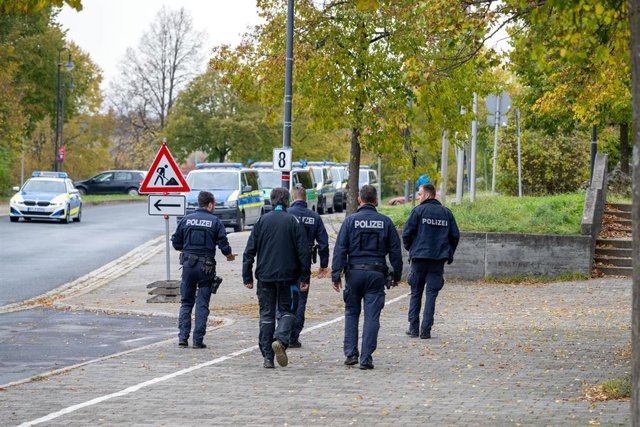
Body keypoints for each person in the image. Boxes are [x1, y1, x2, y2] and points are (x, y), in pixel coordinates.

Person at [331, 184, 403, 370]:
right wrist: (397, 275)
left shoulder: (350, 221)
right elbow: (395, 252)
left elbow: (340, 249)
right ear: (376, 200)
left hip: (353, 274)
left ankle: (350, 354)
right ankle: (366, 358)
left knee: (351, 313)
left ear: (359, 199)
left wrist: (336, 274)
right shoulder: (385, 222)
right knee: (372, 317)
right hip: (376, 274)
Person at [243, 187, 311, 369]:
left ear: (271, 202)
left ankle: (267, 357)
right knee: (288, 311)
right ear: (287, 202)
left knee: (266, 315)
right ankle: (280, 339)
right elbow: (304, 252)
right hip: (289, 278)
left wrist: (247, 276)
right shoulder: (294, 221)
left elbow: (249, 251)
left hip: (265, 277)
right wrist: (305, 277)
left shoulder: (261, 222)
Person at [171, 191, 236, 349]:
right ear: (210, 204)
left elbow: (175, 242)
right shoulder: (215, 221)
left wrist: (185, 250)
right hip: (206, 268)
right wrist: (229, 255)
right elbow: (223, 243)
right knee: (202, 304)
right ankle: (198, 340)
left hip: (188, 266)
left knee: (186, 303)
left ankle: (182, 338)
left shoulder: (186, 220)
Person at [402, 183, 460, 339]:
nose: (419, 197)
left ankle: (413, 328)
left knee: (416, 293)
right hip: (437, 260)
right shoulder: (446, 213)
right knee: (431, 295)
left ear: (427, 195)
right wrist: (449, 254)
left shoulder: (418, 212)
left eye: (420, 194)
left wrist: (411, 249)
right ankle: (426, 330)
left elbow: (406, 234)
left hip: (419, 259)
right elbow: (455, 236)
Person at [282, 185, 330, 348]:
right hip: (304, 265)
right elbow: (323, 243)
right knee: (301, 300)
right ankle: (294, 336)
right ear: (305, 198)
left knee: (283, 298)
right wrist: (323, 265)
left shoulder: (286, 215)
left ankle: (282, 332)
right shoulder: (314, 216)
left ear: (293, 198)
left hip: (285, 262)